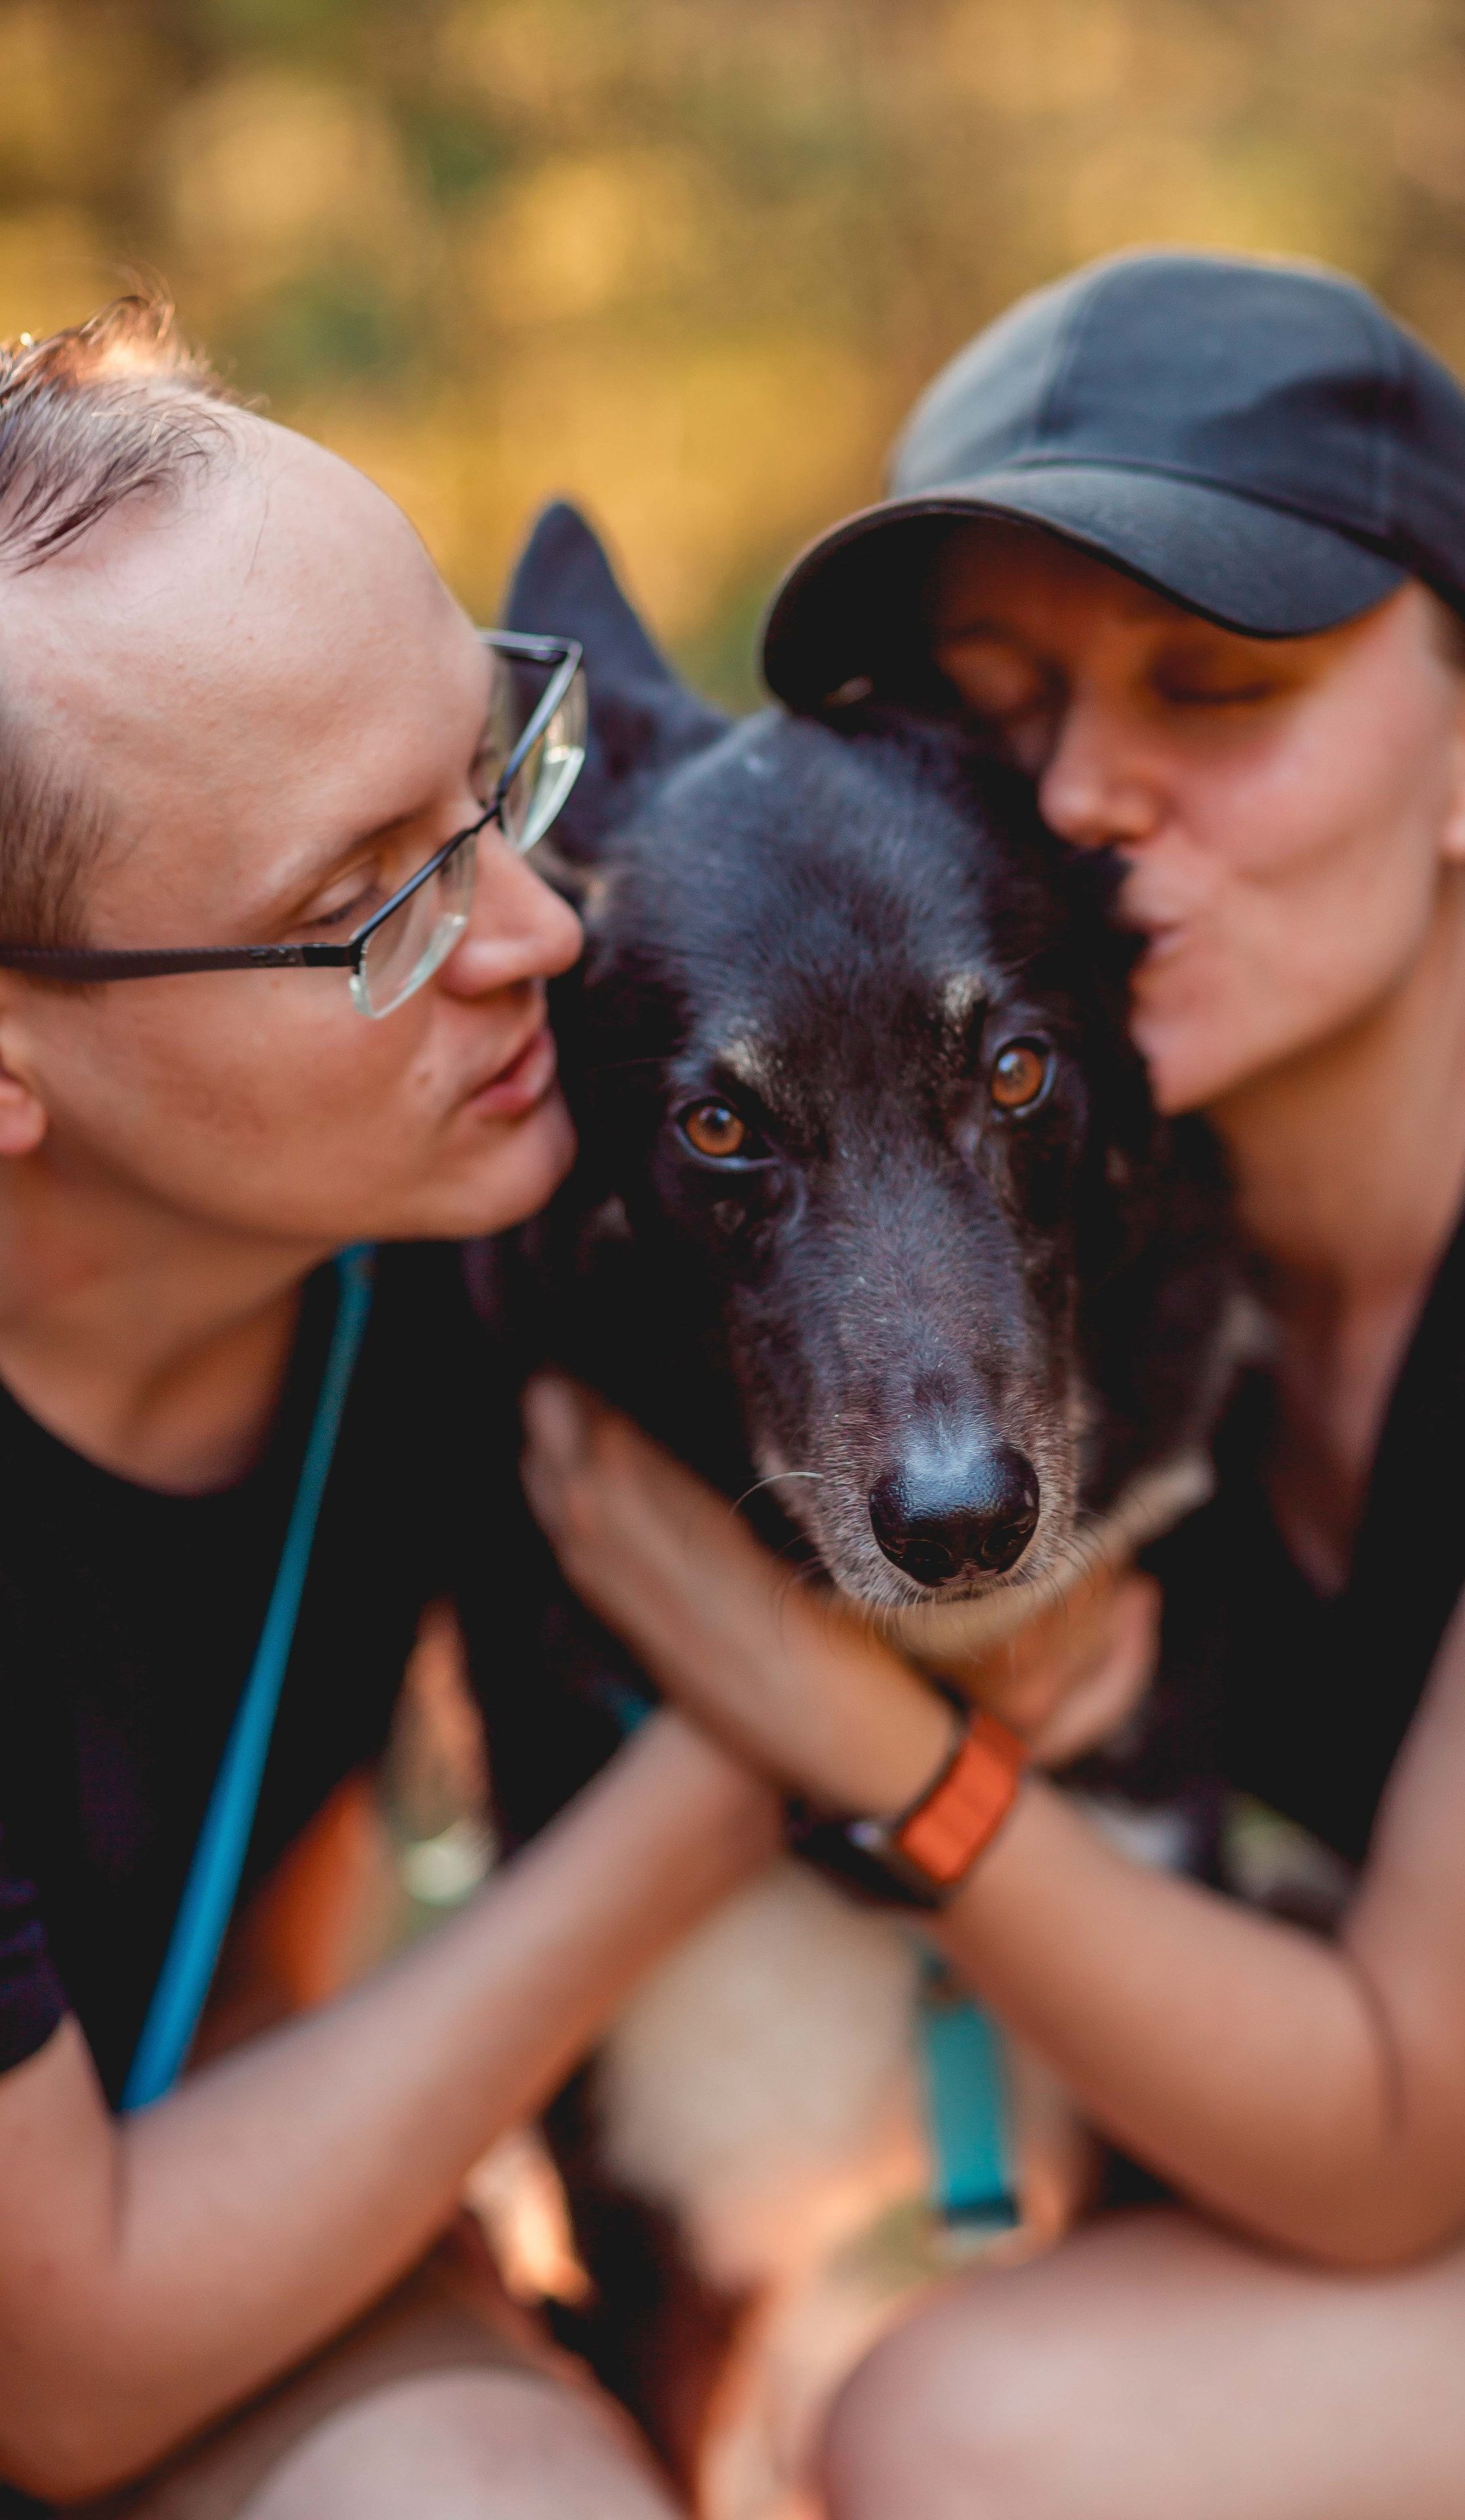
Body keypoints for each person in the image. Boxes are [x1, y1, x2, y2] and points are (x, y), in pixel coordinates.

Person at [521, 251, 1465, 2517]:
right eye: (1008, 700)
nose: (1089, 794)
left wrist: (862, 1730)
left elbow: (1380, 2145)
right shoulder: (1130, 1208)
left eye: (1215, 689)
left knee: (968, 2430)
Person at [0, 301, 781, 2520]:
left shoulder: (429, 1241)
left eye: (492, 768)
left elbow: (233, 1972)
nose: (539, 927)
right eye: (371, 907)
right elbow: (58, 2374)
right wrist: (751, 1764)